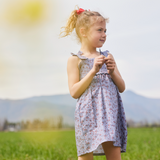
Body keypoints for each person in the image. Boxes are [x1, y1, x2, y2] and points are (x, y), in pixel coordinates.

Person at [60, 6, 127, 160]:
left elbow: (122, 87)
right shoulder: (75, 60)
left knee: (114, 157)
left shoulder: (108, 56)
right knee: (85, 157)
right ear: (83, 32)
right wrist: (92, 71)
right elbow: (74, 92)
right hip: (88, 116)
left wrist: (112, 71)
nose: (104, 34)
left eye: (105, 31)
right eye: (99, 30)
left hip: (110, 115)